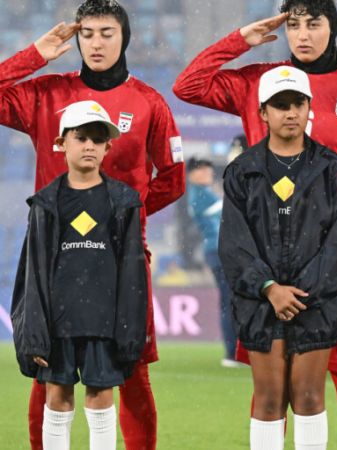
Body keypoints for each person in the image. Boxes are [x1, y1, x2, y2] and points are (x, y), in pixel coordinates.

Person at [172, 2, 337, 445]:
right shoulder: (257, 81)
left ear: (333, 26)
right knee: (269, 386)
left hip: (335, 253)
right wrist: (239, 41)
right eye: (293, 25)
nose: (302, 34)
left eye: (314, 23)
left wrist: (336, 211)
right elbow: (188, 85)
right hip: (262, 256)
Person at [0, 1, 185, 448]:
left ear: (124, 38)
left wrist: (122, 221)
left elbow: (173, 179)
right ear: (75, 39)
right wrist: (35, 54)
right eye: (87, 34)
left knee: (131, 368)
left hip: (121, 256)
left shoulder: (149, 103)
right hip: (54, 254)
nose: (96, 42)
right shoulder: (45, 92)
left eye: (106, 33)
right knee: (46, 369)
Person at [218, 65, 337, 450]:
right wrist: (269, 288)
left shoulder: (332, 169)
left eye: (298, 103)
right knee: (268, 398)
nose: (291, 112)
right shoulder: (242, 171)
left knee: (310, 396)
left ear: (309, 107)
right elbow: (234, 243)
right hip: (260, 303)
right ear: (263, 112)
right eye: (280, 105)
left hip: (316, 301)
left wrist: (298, 292)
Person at [11, 101, 147, 450]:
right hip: (59, 321)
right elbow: (34, 272)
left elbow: (132, 272)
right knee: (57, 396)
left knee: (101, 396)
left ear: (108, 147)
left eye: (97, 139)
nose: (89, 145)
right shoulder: (45, 203)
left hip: (104, 320)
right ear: (62, 143)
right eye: (80, 137)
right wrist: (35, 332)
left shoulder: (123, 201)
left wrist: (129, 330)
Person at [186, 158, 237, 367]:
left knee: (228, 300)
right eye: (202, 170)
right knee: (230, 300)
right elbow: (232, 210)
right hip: (220, 251)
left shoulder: (199, 193)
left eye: (208, 170)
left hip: (216, 251)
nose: (208, 173)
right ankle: (233, 352)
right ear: (192, 174)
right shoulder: (201, 194)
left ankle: (234, 351)